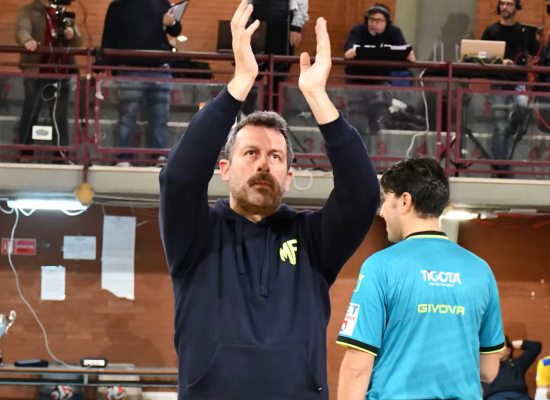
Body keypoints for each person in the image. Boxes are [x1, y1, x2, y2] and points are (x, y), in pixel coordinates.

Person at [159, 1, 380, 399]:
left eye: (275, 157)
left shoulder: (313, 240)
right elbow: (178, 179)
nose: (264, 163)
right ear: (224, 169)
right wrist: (241, 81)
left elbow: (363, 195)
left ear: (289, 177)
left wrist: (318, 98)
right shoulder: (195, 236)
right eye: (251, 153)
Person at [336, 156, 505, 400]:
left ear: (405, 201)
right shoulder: (481, 270)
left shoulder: (379, 266)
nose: (382, 211)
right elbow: (489, 370)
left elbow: (356, 369)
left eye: (385, 200)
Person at [100, 0, 182, 166]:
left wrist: (171, 23)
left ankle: (159, 156)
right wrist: (109, 66)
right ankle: (124, 157)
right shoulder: (118, 6)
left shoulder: (162, 3)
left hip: (159, 68)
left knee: (160, 117)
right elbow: (108, 38)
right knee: (128, 116)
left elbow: (175, 30)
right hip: (130, 68)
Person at [14, 0, 82, 161]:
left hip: (61, 71)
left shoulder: (62, 12)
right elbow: (22, 30)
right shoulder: (28, 10)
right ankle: (26, 153)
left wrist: (72, 34)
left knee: (60, 115)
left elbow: (78, 41)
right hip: (37, 70)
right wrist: (27, 40)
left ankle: (61, 155)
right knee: (31, 111)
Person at [481, 0, 540, 175]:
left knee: (523, 107)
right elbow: (480, 56)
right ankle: (502, 168)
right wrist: (499, 61)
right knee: (500, 125)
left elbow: (538, 52)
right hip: (499, 81)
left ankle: (511, 130)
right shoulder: (491, 31)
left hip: (519, 80)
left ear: (517, 7)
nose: (504, 7)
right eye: (502, 4)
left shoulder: (524, 32)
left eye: (509, 4)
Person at [343, 4, 415, 144]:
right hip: (357, 81)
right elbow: (350, 45)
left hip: (380, 80)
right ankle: (359, 153)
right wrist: (350, 51)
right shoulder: (358, 30)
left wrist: (409, 56)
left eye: (379, 20)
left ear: (387, 22)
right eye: (371, 19)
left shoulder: (394, 32)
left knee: (378, 114)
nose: (374, 23)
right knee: (357, 124)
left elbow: (403, 49)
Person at [247, 0, 308, 111]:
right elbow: (247, 3)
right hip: (258, 26)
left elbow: (301, 3)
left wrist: (296, 27)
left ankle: (274, 114)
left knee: (279, 77)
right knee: (251, 75)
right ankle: (247, 113)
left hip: (283, 28)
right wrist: (248, 22)